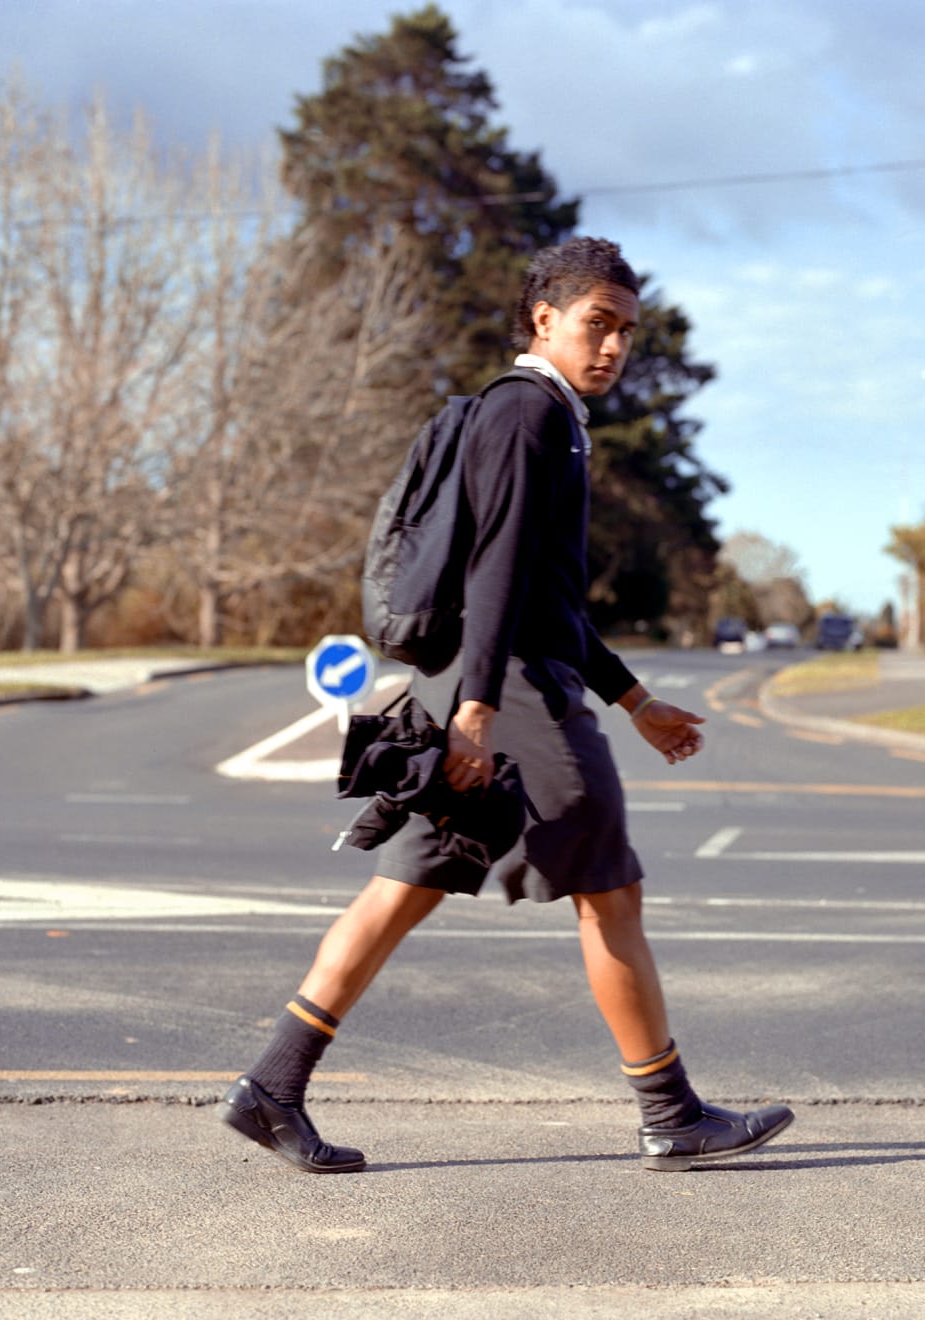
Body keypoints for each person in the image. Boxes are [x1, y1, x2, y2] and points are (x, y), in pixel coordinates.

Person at [219, 236, 793, 1174]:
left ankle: (272, 1088)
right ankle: (670, 1112)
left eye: (628, 333)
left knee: (402, 887)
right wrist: (478, 711)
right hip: (509, 691)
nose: (614, 347)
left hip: (482, 679)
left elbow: (545, 596)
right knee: (610, 887)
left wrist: (635, 700)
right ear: (544, 320)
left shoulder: (545, 416)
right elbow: (495, 577)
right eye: (596, 325)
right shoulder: (529, 415)